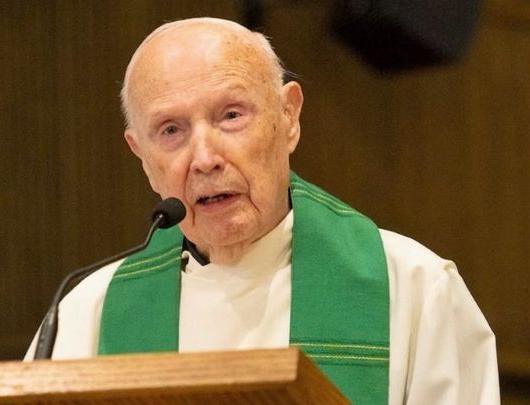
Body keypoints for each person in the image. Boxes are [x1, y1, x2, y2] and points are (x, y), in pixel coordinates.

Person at [26, 17, 500, 404]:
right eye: (171, 130)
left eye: (231, 115)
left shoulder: (413, 288)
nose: (205, 157)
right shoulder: (89, 311)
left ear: (288, 117)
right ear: (142, 156)